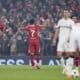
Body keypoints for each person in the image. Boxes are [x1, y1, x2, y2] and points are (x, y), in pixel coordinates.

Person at [53, 9, 74, 73]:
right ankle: (64, 67)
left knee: (68, 55)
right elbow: (57, 30)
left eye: (66, 12)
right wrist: (54, 39)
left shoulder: (71, 22)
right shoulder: (60, 21)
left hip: (68, 41)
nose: (65, 13)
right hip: (61, 40)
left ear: (68, 14)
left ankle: (69, 68)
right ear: (63, 13)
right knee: (58, 55)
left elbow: (73, 31)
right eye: (64, 12)